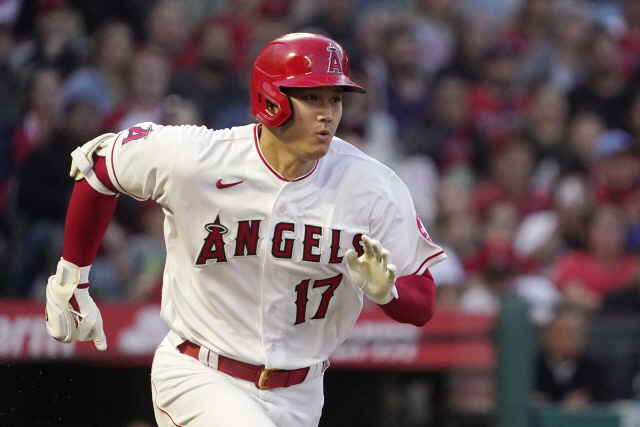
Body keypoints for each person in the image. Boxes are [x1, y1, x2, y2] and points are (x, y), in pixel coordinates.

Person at [43, 33, 446, 427]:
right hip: (200, 374)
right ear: (270, 99)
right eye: (312, 98)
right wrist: (72, 278)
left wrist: (388, 293)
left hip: (302, 394)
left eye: (335, 99)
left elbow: (424, 300)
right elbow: (98, 167)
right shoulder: (199, 158)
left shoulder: (370, 185)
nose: (328, 113)